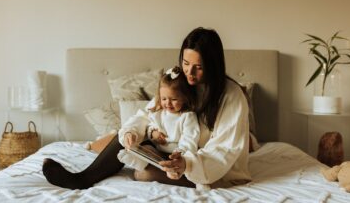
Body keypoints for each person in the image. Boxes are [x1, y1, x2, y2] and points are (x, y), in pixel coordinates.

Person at [42, 27, 251, 190]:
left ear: (213, 65)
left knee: (143, 174)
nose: (190, 72)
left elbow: (224, 151)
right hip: (174, 155)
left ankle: (156, 171)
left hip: (213, 170)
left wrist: (186, 164)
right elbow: (148, 114)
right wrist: (135, 132)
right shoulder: (182, 82)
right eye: (186, 63)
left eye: (198, 67)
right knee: (126, 135)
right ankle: (83, 178)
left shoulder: (232, 96)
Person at [117, 66, 200, 173]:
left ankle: (142, 162)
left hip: (175, 155)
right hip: (158, 151)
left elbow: (190, 139)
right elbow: (151, 124)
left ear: (185, 97)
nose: (168, 103)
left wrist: (180, 153)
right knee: (147, 148)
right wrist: (153, 133)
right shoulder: (159, 112)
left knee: (165, 160)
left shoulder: (187, 116)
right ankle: (138, 159)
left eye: (174, 99)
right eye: (164, 99)